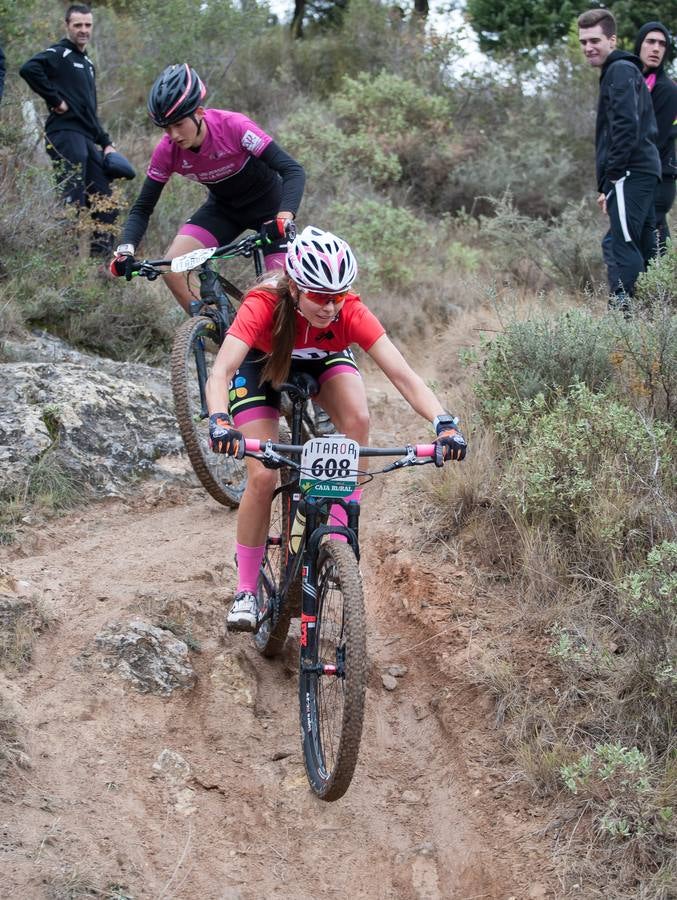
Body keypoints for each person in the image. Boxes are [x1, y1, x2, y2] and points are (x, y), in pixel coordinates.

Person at [205, 226, 468, 632]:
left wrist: (444, 422)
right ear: (293, 288)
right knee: (263, 473)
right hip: (260, 366)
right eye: (319, 296)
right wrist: (220, 420)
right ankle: (245, 590)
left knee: (358, 420)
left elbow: (402, 374)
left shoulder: (349, 312)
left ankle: (342, 513)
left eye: (338, 296)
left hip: (322, 361)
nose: (330, 307)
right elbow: (220, 370)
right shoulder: (263, 305)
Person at [109, 64, 305, 313]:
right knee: (171, 268)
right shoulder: (167, 151)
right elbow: (142, 208)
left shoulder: (234, 126)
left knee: (277, 295)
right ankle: (218, 337)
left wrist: (284, 216)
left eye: (179, 124)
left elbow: (292, 170)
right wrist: (125, 250)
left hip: (270, 211)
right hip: (224, 210)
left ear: (199, 112)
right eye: (166, 128)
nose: (174, 135)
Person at [19, 3, 123, 257]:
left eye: (87, 25)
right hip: (64, 134)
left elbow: (89, 110)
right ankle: (66, 266)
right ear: (67, 26)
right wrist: (55, 100)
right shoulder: (59, 53)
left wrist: (106, 142)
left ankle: (100, 268)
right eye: (78, 25)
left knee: (106, 202)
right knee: (72, 200)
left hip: (87, 138)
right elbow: (28, 68)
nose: (83, 30)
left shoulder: (87, 63)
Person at [578, 8, 661, 311]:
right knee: (640, 245)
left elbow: (626, 127)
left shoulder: (620, 71)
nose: (588, 47)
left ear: (612, 39)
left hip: (630, 172)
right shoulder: (623, 70)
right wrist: (608, 185)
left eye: (595, 40)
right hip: (637, 173)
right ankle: (655, 318)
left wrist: (613, 178)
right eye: (583, 41)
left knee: (621, 245)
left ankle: (623, 324)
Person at [634, 22, 677, 251]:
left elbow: (653, 141)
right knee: (652, 244)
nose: (656, 49)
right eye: (650, 42)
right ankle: (665, 284)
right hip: (642, 176)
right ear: (639, 44)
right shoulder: (635, 83)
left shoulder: (666, 89)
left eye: (662, 44)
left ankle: (661, 285)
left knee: (647, 243)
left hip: (660, 178)